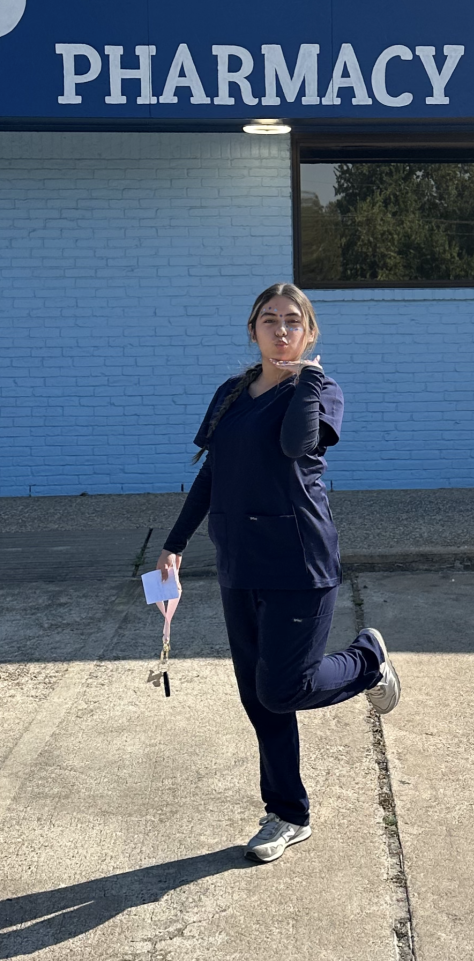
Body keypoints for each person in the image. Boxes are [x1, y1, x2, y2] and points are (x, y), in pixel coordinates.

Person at [157, 282, 401, 863]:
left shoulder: (322, 391)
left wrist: (307, 380)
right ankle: (287, 813)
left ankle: (367, 661)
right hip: (239, 562)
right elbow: (213, 473)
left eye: (293, 321)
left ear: (309, 333)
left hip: (299, 561)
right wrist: (174, 543)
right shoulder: (230, 394)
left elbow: (294, 446)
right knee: (259, 699)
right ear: (253, 330)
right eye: (270, 319)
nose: (281, 330)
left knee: (283, 687)